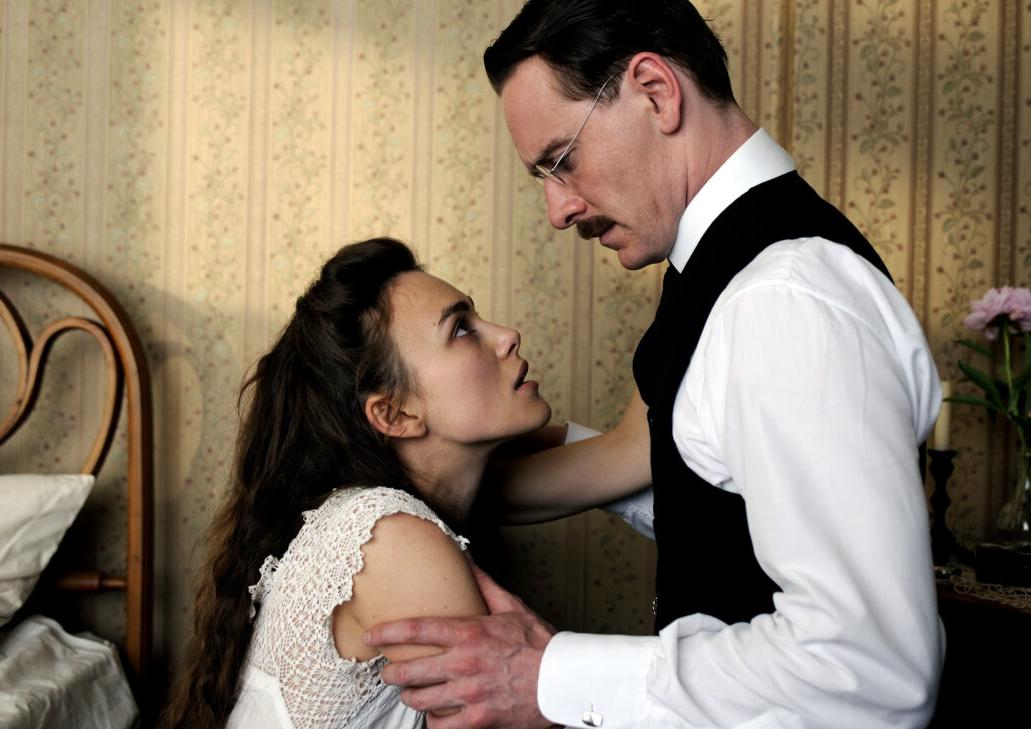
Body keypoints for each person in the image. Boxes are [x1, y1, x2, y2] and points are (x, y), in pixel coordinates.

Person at [365, 2, 945, 728]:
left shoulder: (782, 297)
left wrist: (549, 675)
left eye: (562, 160)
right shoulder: (724, 271)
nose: (557, 209)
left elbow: (868, 667)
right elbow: (724, 500)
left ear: (655, 91)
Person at [158, 238, 559, 729]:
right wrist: (558, 674)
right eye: (461, 329)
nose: (508, 335)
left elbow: (628, 459)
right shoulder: (388, 536)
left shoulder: (369, 514)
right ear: (394, 414)